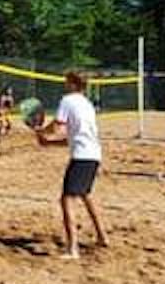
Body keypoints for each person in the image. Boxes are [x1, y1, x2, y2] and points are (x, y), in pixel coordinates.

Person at [33, 71, 109, 259]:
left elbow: (58, 126)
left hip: (82, 157)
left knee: (66, 200)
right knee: (85, 194)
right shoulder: (87, 104)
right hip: (94, 155)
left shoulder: (68, 100)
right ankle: (102, 236)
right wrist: (49, 143)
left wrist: (42, 131)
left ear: (73, 84)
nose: (64, 84)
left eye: (66, 81)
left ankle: (72, 249)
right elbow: (75, 137)